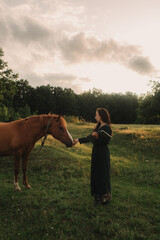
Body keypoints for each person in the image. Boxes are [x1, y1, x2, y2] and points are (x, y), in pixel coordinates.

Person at [73, 108, 112, 205]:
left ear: (101, 116)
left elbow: (106, 141)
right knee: (96, 173)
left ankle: (105, 197)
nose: (95, 116)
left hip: (102, 153)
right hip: (96, 152)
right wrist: (79, 140)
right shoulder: (98, 128)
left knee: (102, 174)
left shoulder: (106, 128)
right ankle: (97, 196)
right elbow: (89, 138)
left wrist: (98, 137)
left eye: (96, 115)